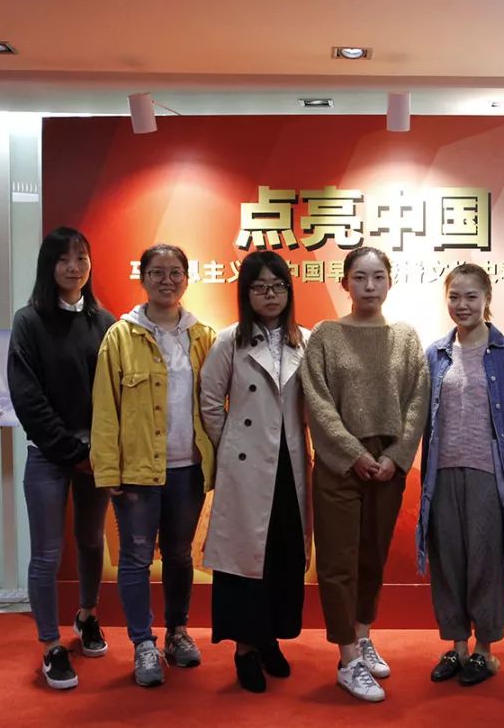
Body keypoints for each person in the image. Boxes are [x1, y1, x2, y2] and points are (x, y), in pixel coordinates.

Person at [300, 246, 429, 702]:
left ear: (390, 282)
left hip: (388, 463)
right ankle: (347, 658)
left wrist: (397, 455)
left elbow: (418, 400)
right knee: (338, 561)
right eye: (359, 277)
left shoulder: (406, 338)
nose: (369, 286)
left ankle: (362, 634)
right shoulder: (325, 336)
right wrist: (353, 452)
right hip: (340, 462)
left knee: (373, 555)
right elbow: (317, 402)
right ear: (345, 284)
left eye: (377, 277)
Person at [91, 244, 216, 687]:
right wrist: (109, 471)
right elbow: (105, 409)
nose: (167, 280)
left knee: (180, 555)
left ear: (187, 278)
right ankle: (143, 643)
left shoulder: (203, 336)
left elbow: (216, 404)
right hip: (137, 472)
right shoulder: (120, 337)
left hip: (189, 468)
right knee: (136, 558)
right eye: (157, 272)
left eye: (175, 272)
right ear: (142, 278)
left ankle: (177, 632)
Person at [8, 227, 116, 690]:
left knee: (91, 541)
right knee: (47, 553)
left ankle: (87, 615)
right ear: (48, 266)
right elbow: (27, 396)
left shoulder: (105, 321)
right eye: (64, 259)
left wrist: (98, 451)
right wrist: (72, 451)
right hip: (49, 454)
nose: (74, 267)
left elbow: (116, 392)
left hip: (96, 454)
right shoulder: (28, 321)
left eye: (81, 258)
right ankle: (51, 644)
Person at [419, 263, 504, 687]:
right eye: (454, 296)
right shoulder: (435, 354)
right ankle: (457, 646)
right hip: (442, 473)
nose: (462, 304)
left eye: (471, 296)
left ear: (487, 299)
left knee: (485, 560)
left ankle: (484, 651)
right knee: (448, 560)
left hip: (488, 473)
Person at [200, 251, 312, 693]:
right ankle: (245, 649)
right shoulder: (230, 340)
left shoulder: (304, 341)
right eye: (260, 287)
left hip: (290, 462)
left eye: (278, 286)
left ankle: (269, 639)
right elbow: (211, 401)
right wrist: (231, 447)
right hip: (246, 467)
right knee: (245, 562)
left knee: (282, 554)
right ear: (246, 293)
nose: (270, 294)